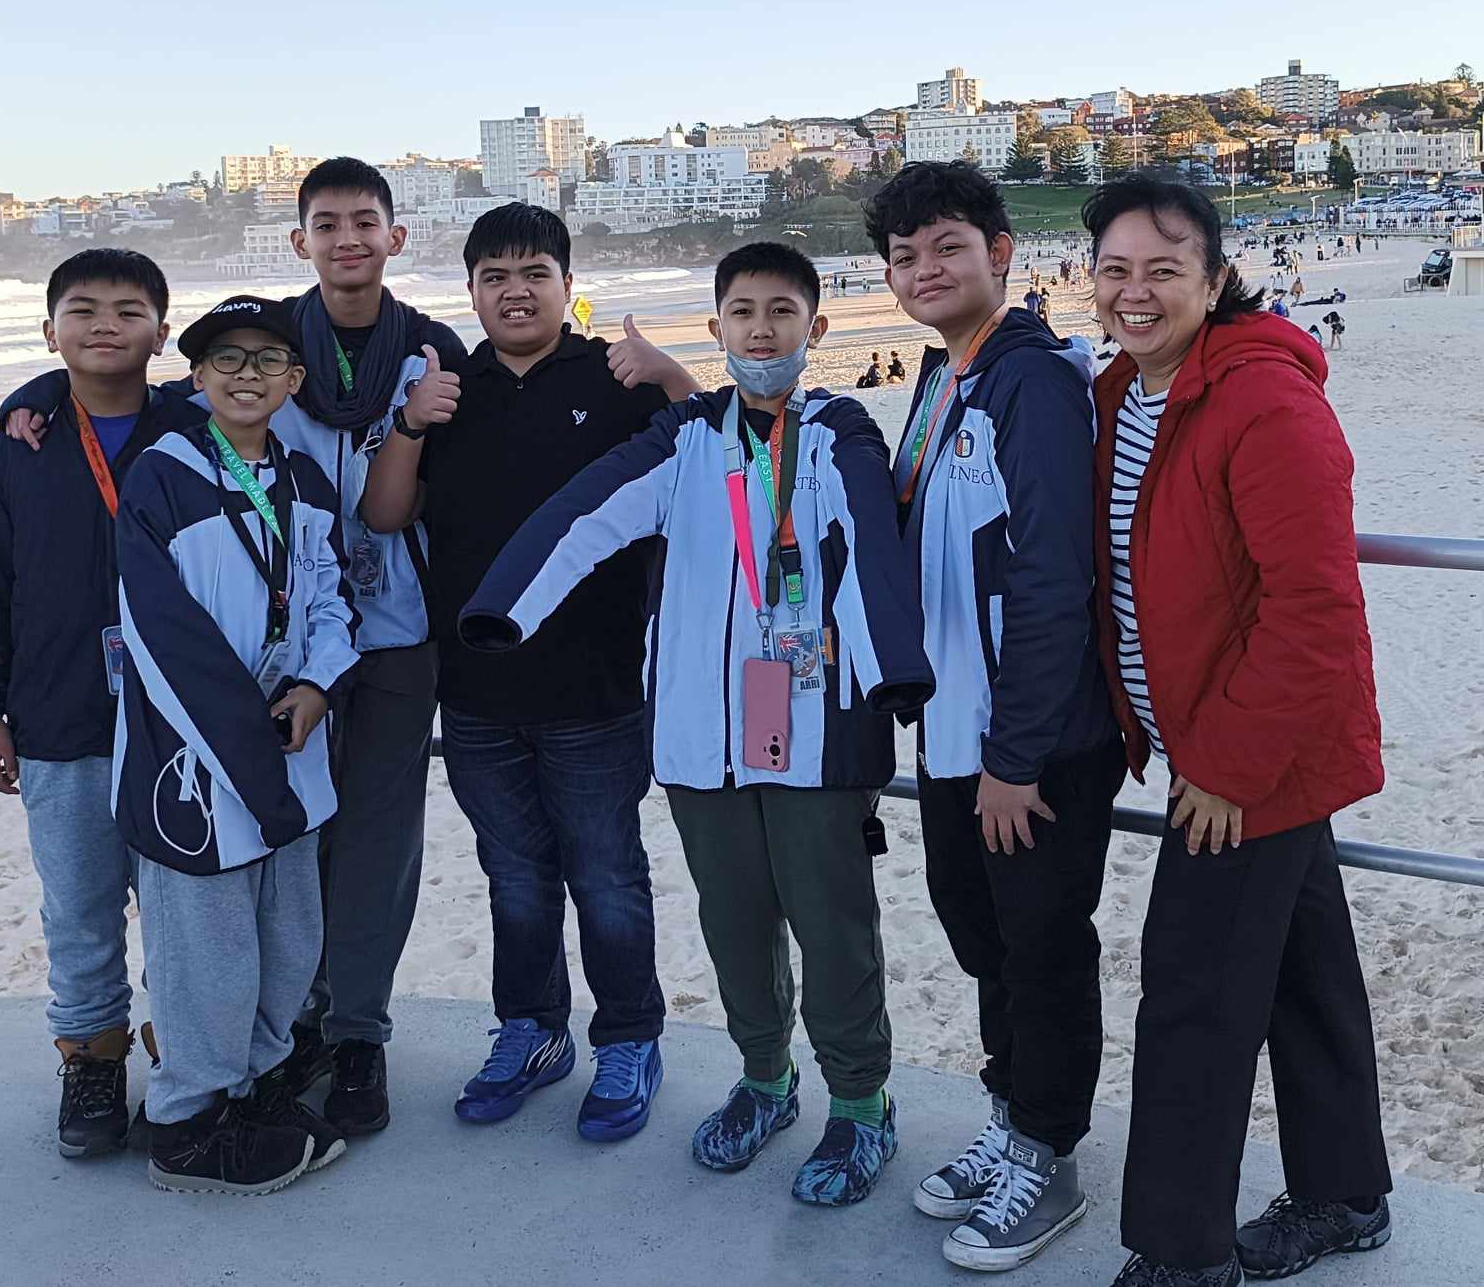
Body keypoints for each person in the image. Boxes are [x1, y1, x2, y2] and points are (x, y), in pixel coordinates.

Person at [461, 242, 935, 1210]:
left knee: (833, 928)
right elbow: (582, 517)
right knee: (735, 923)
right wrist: (507, 607)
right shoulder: (685, 439)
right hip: (698, 738)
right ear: (715, 330)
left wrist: (894, 674)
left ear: (817, 328)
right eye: (744, 313)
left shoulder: (842, 429)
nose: (763, 330)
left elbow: (877, 557)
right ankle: (766, 1082)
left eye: (783, 313)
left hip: (822, 730)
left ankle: (862, 1103)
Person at [1, 158, 466, 1137]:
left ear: (395, 236)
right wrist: (42, 389)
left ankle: (350, 1039)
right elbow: (120, 378)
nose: (347, 238)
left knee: (366, 853)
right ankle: (249, 1051)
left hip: (374, 648)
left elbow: (416, 504)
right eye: (326, 223)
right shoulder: (243, 373)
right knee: (254, 865)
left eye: (365, 221)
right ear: (299, 241)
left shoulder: (427, 350)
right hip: (242, 689)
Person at [1084, 176, 1390, 1287]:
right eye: (1115, 268)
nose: (1135, 291)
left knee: (1194, 997)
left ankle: (1180, 1255)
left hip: (1249, 756)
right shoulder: (1126, 391)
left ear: (1215, 281)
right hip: (1215, 745)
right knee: (1306, 976)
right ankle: (1346, 1195)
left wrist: (1221, 767)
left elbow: (1313, 609)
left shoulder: (1264, 401)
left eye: (1165, 270)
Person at [361, 203, 697, 1141]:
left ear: (566, 286)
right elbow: (387, 516)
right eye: (494, 277)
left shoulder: (615, 380)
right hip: (473, 695)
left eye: (533, 273)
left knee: (608, 877)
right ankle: (532, 1029)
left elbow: (720, 470)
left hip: (593, 688)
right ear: (469, 293)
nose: (515, 291)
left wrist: (673, 379)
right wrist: (410, 423)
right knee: (514, 877)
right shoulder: (449, 392)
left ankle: (629, 1035)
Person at [866, 164, 1126, 1274]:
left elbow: (1057, 577)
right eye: (906, 257)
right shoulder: (941, 380)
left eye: (947, 248)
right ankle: (1012, 1117)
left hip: (1037, 748)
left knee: (1043, 948)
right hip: (959, 737)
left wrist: (1016, 759)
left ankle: (1050, 1156)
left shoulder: (1032, 382)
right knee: (985, 944)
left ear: (1002, 252)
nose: (926, 270)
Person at [0, 248, 197, 1158]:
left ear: (162, 333)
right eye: (82, 310)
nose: (105, 325)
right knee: (81, 910)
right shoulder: (24, 439)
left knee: (186, 911)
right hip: (58, 720)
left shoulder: (198, 426)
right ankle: (91, 1060)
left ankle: (186, 1050)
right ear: (48, 330)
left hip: (182, 725)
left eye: (128, 310)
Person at [117, 295, 359, 1194]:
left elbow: (333, 602)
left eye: (266, 359)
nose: (246, 373)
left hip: (289, 750)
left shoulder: (303, 479)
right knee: (205, 950)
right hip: (195, 764)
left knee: (286, 938)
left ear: (294, 381)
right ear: (196, 377)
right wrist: (252, 757)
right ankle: (187, 1122)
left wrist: (317, 685)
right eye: (226, 358)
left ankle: (246, 1086)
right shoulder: (164, 475)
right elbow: (165, 637)